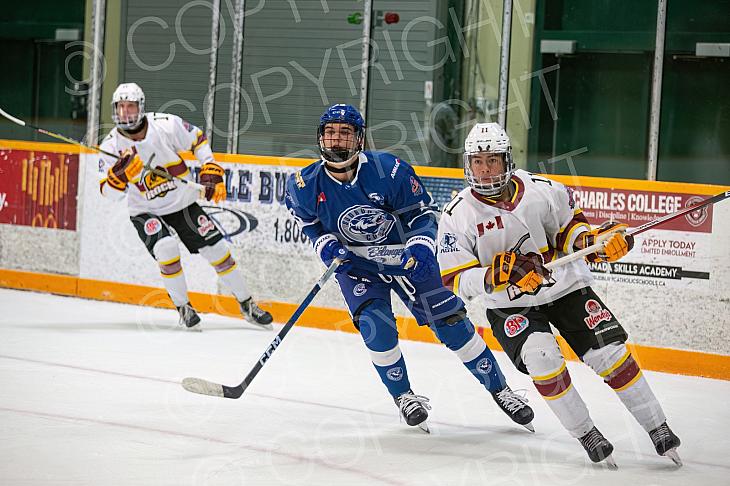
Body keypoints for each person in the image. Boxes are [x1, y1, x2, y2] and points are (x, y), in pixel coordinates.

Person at [437, 122, 681, 466]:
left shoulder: (543, 189)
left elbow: (570, 231)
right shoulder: (456, 215)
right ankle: (587, 433)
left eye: (492, 159)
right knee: (542, 359)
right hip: (511, 305)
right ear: (468, 163)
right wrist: (497, 275)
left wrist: (593, 244)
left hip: (566, 287)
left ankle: (658, 427)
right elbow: (455, 279)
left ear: (507, 160)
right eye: (478, 161)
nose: (485, 169)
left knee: (610, 354)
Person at [284, 104, 534, 432]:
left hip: (408, 258)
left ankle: (500, 389)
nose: (336, 140)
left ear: (359, 139)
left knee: (450, 323)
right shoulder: (304, 184)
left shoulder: (389, 171)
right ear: (320, 138)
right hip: (357, 265)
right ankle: (403, 396)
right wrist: (326, 246)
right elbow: (310, 223)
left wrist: (420, 249)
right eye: (330, 133)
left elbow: (421, 215)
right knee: (376, 326)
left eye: (345, 133)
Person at [97, 82, 273, 331]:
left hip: (181, 202)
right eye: (120, 107)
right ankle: (184, 308)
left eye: (131, 106)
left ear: (141, 108)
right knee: (166, 248)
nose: (125, 112)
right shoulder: (110, 147)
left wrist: (209, 165)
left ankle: (247, 305)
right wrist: (119, 178)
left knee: (217, 250)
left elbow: (197, 138)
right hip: (145, 210)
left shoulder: (165, 124)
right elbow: (108, 193)